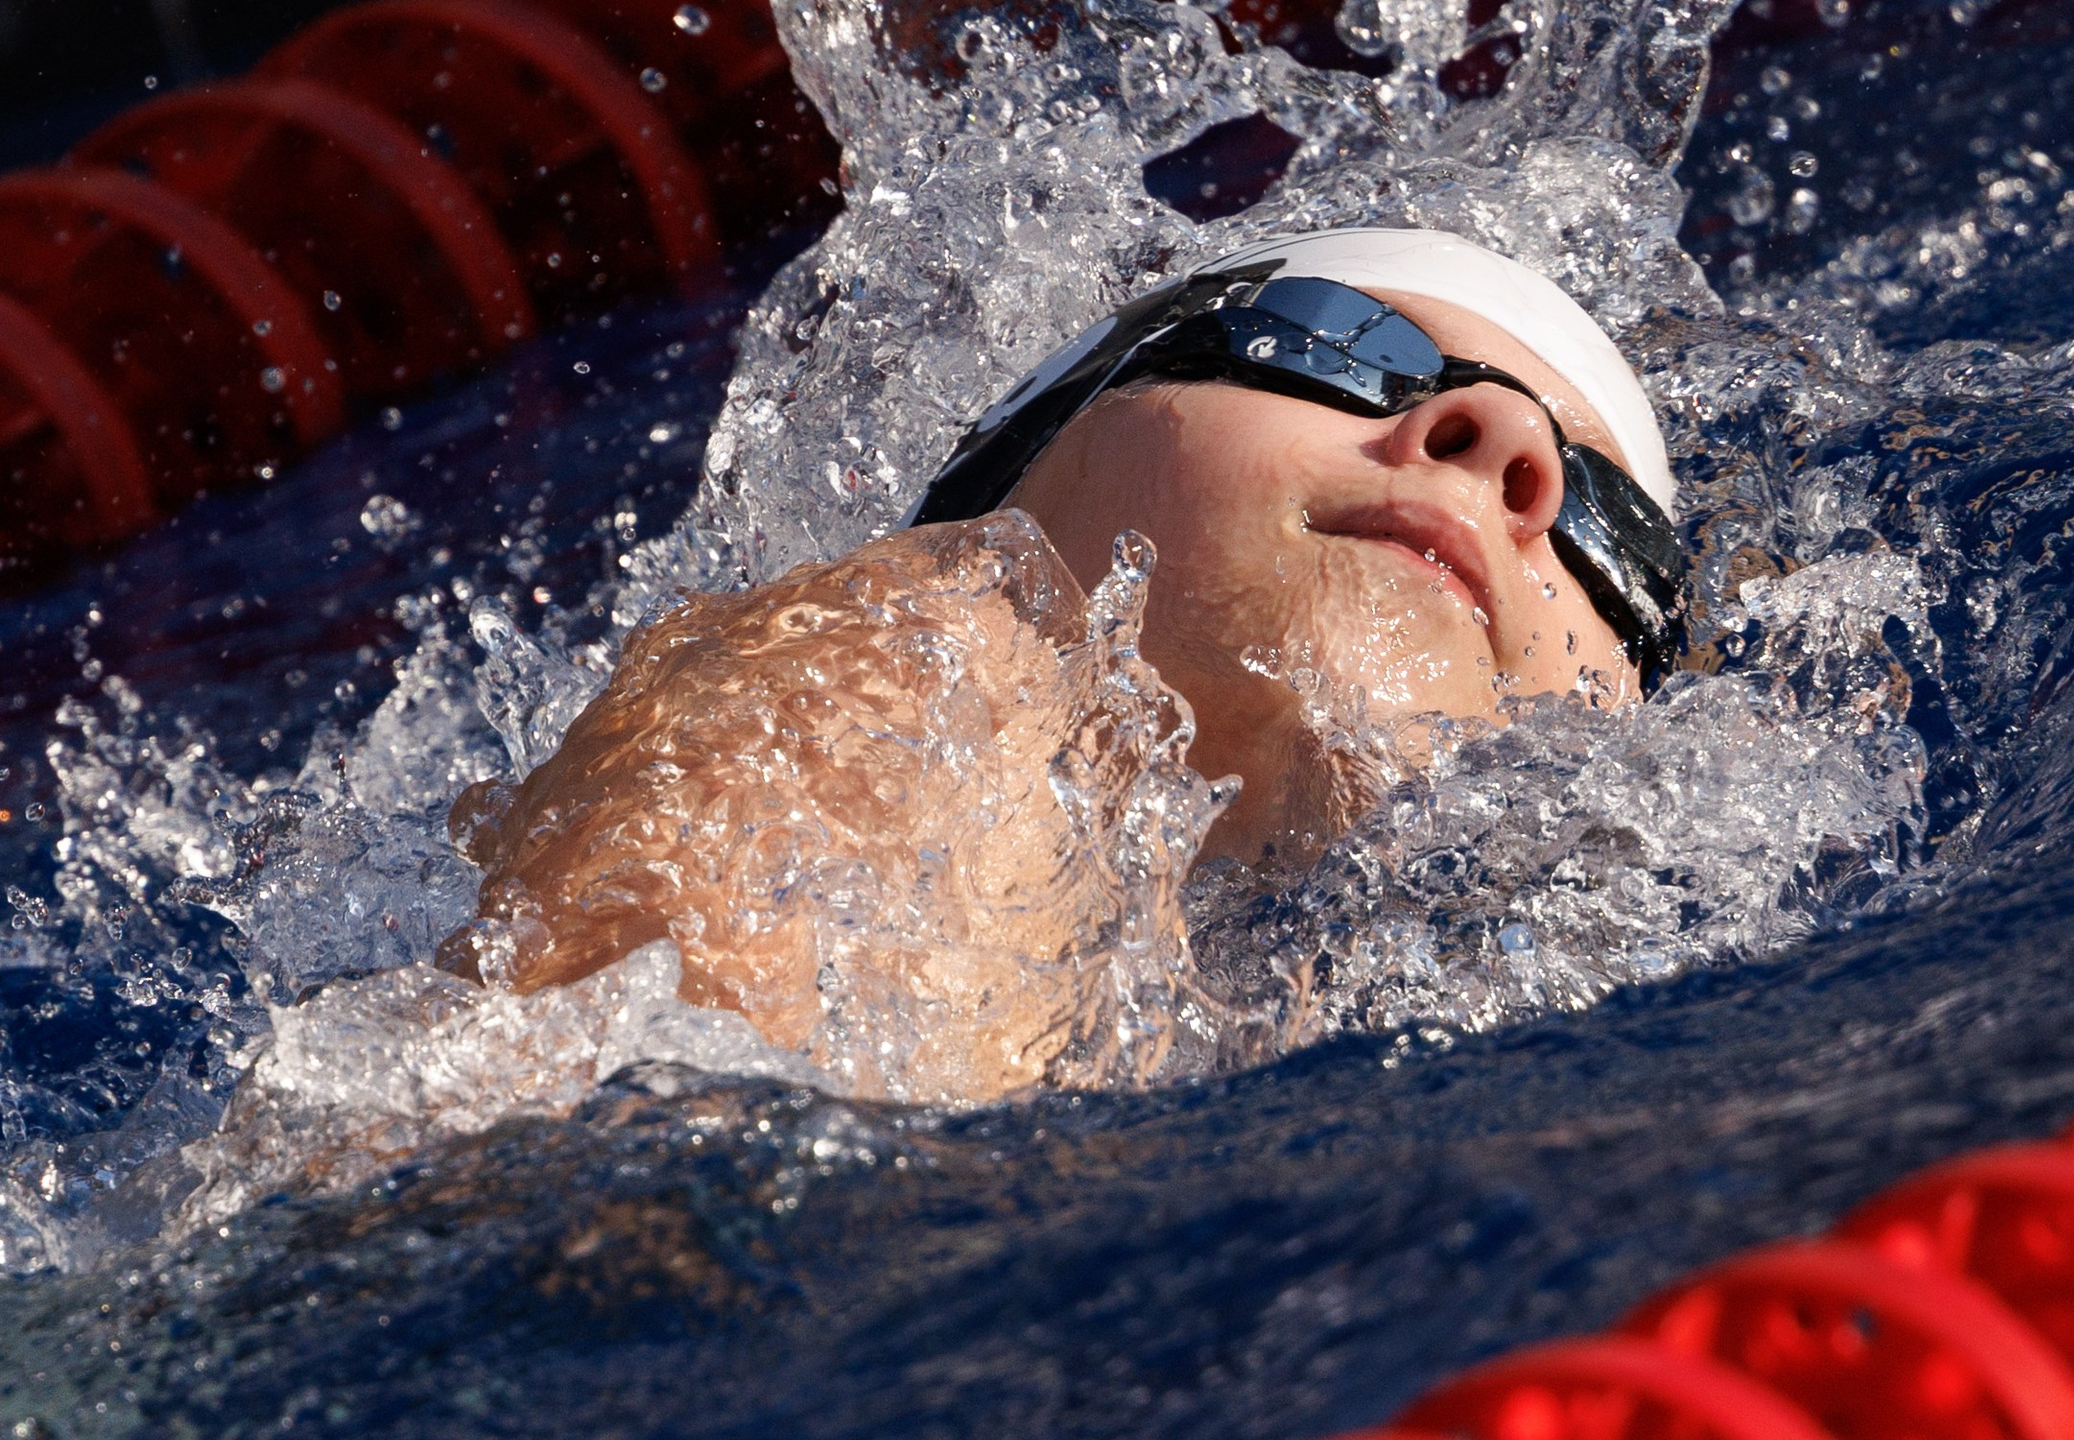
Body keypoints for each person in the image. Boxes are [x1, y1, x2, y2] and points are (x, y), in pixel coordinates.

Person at [443, 230, 1686, 1094]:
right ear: (1036, 453)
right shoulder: (914, 642)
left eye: (1604, 529)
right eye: (1334, 341)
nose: (1509, 447)